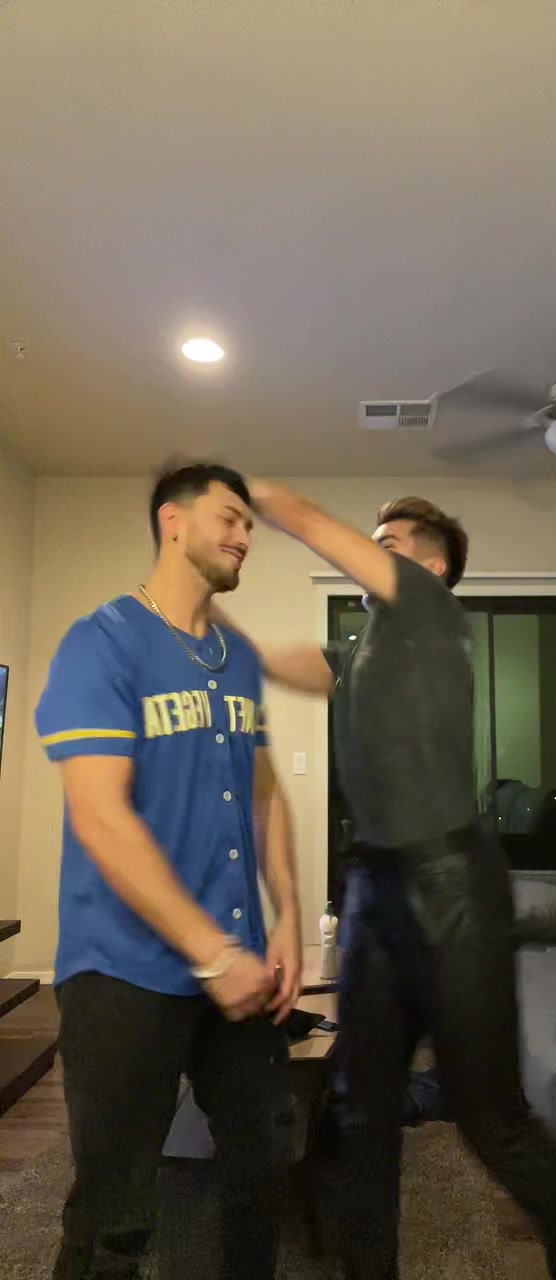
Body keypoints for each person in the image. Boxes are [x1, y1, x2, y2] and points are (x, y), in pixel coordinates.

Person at [233, 483, 556, 1280]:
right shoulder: (371, 648)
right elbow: (305, 663)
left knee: (487, 1115)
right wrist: (226, 640)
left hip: (449, 888)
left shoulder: (430, 611)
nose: (376, 552)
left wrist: (254, 494)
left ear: (432, 567)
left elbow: (321, 528)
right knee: (361, 1114)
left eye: (390, 543)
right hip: (374, 889)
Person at [36, 462, 302, 1280]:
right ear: (173, 522)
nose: (245, 536)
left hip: (239, 966)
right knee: (115, 1211)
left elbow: (264, 793)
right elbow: (101, 818)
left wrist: (288, 918)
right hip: (122, 968)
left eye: (250, 524)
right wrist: (211, 953)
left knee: (263, 1166)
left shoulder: (239, 658)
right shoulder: (101, 642)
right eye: (229, 517)